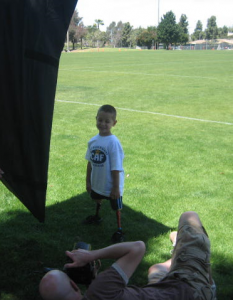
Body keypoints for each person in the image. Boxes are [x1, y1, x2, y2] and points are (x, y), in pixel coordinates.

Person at [39, 211, 216, 300]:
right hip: (190, 290)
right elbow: (137, 248)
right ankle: (206, 282)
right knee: (189, 217)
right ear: (72, 284)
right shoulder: (100, 290)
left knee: (156, 269)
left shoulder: (99, 290)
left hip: (159, 291)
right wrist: (91, 256)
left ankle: (178, 246)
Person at [84, 104, 125, 243]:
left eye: (107, 121)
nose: (103, 124)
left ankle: (119, 229)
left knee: (116, 206)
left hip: (111, 185)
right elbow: (89, 163)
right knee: (96, 198)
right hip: (97, 182)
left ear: (114, 123)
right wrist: (88, 181)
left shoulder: (113, 143)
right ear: (96, 119)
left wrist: (115, 187)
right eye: (100, 120)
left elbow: (116, 167)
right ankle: (97, 216)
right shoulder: (93, 141)